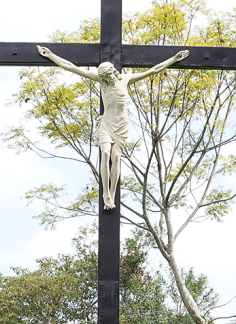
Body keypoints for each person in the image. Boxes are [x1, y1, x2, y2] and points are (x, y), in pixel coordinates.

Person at [35, 45, 189, 209]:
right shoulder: (102, 80)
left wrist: (174, 59)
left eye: (108, 76)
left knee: (116, 157)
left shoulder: (126, 79)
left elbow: (153, 70)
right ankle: (105, 194)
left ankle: (112, 195)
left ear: (112, 72)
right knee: (106, 152)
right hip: (107, 122)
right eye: (104, 78)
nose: (106, 79)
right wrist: (50, 55)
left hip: (121, 123)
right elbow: (71, 67)